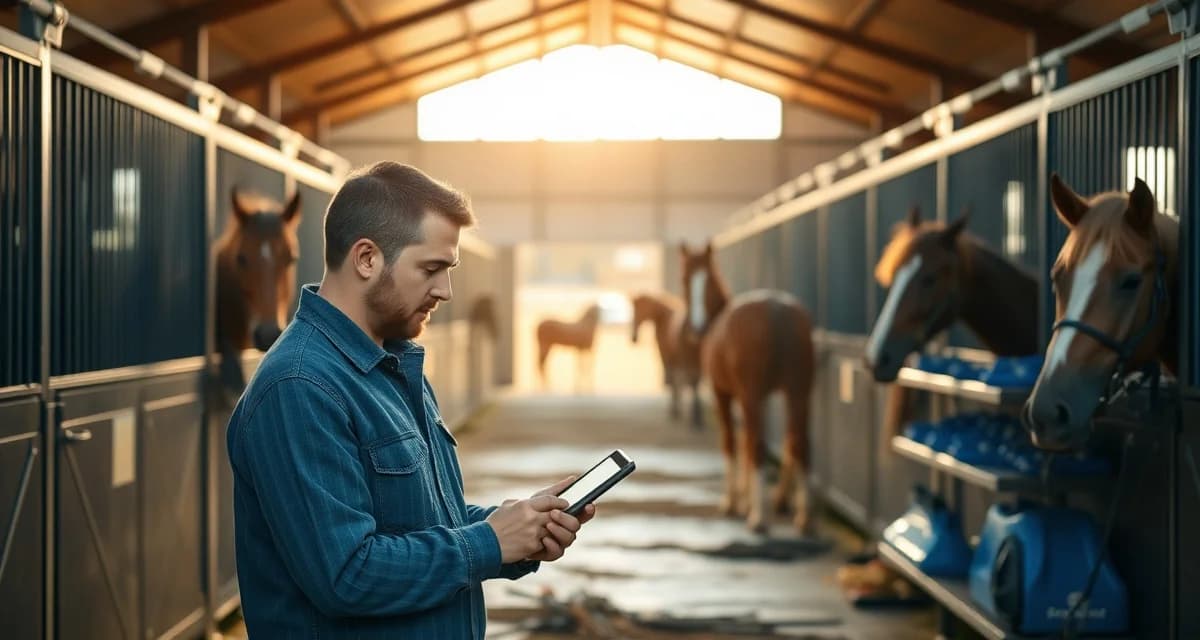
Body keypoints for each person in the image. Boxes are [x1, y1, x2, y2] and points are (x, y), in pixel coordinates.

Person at [226, 161, 594, 638]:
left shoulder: (392, 365)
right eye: (431, 269)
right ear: (366, 259)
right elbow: (347, 575)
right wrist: (489, 542)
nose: (445, 290)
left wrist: (519, 529)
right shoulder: (299, 387)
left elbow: (419, 524)